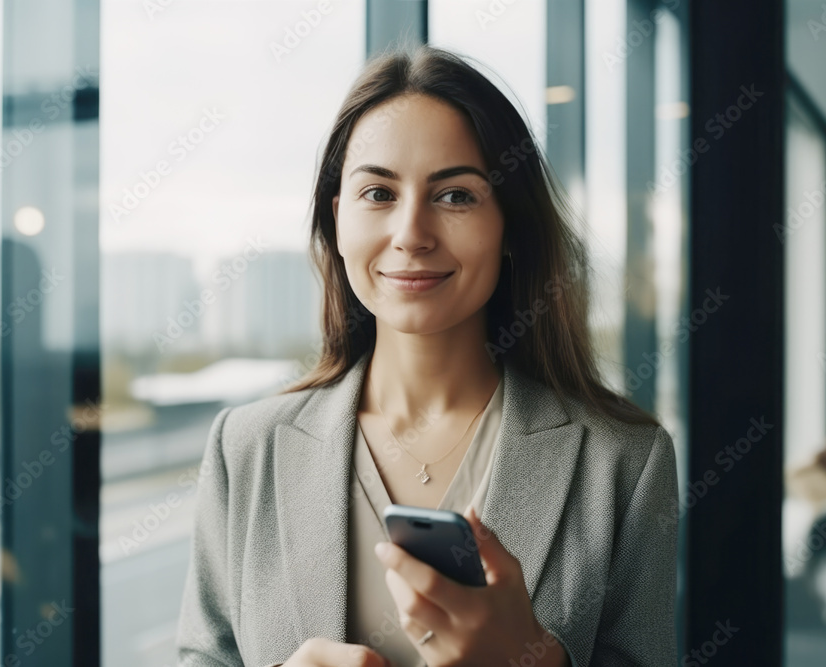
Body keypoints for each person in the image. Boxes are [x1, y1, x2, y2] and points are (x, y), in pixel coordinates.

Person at [176, 44, 678, 667]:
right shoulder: (245, 447)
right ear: (337, 222)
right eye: (379, 193)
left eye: (456, 196)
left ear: (510, 228)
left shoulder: (624, 461)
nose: (411, 233)